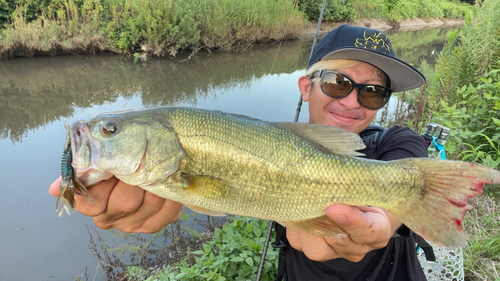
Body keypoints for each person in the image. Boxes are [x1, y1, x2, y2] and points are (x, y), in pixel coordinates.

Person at [49, 24, 428, 281]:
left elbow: (405, 194)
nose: (352, 101)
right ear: (305, 86)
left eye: (372, 91)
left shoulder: (399, 143)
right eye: (337, 82)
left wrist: (388, 218)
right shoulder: (270, 144)